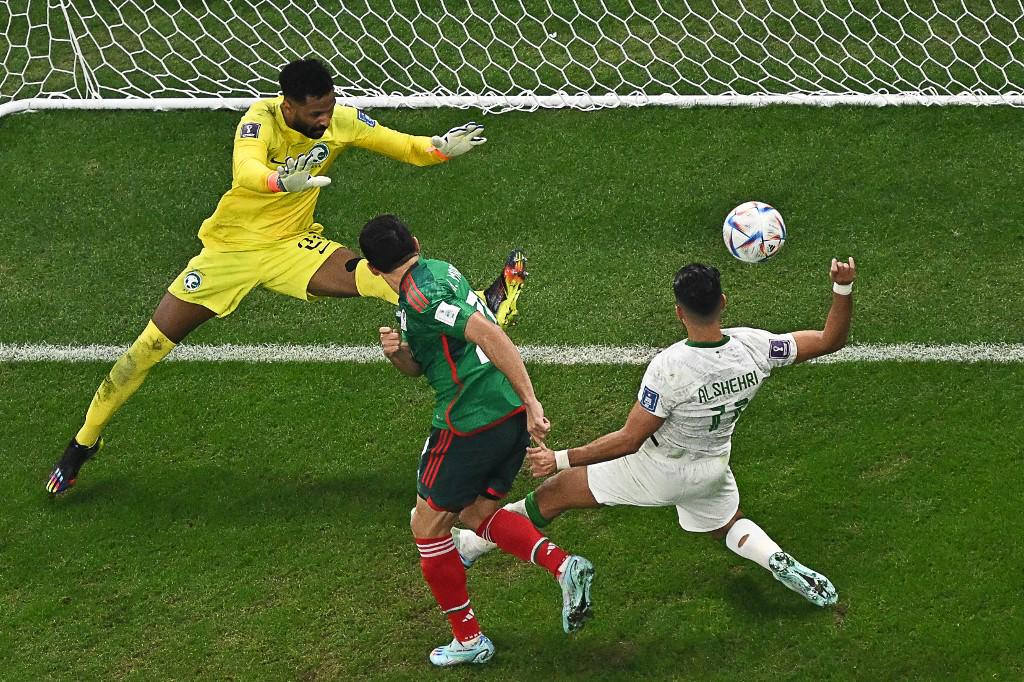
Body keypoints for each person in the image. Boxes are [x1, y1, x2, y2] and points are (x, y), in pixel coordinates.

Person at [46, 58, 526, 496]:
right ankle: (84, 442)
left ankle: (480, 304)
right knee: (147, 348)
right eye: (315, 113)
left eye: (329, 108)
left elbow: (401, 145)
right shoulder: (259, 121)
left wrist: (438, 149)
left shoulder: (339, 121)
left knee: (383, 277)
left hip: (292, 247)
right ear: (288, 105)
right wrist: (280, 182)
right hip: (229, 253)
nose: (325, 120)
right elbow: (245, 171)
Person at [454, 258, 858, 608]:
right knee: (726, 523)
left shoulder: (670, 368)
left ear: (679, 312)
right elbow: (830, 340)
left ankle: (470, 545)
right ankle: (774, 559)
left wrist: (558, 458)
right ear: (722, 302)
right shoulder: (756, 347)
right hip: (713, 467)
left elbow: (629, 440)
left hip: (658, 468)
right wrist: (843, 287)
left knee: (556, 492)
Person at [362, 214, 594, 667]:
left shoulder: (421, 298)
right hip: (504, 413)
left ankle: (468, 639)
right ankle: (564, 566)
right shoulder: (438, 272)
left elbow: (488, 333)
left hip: (469, 421)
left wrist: (533, 401)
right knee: (475, 513)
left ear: (372, 268)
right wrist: (399, 354)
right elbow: (423, 364)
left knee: (427, 527)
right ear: (416, 242)